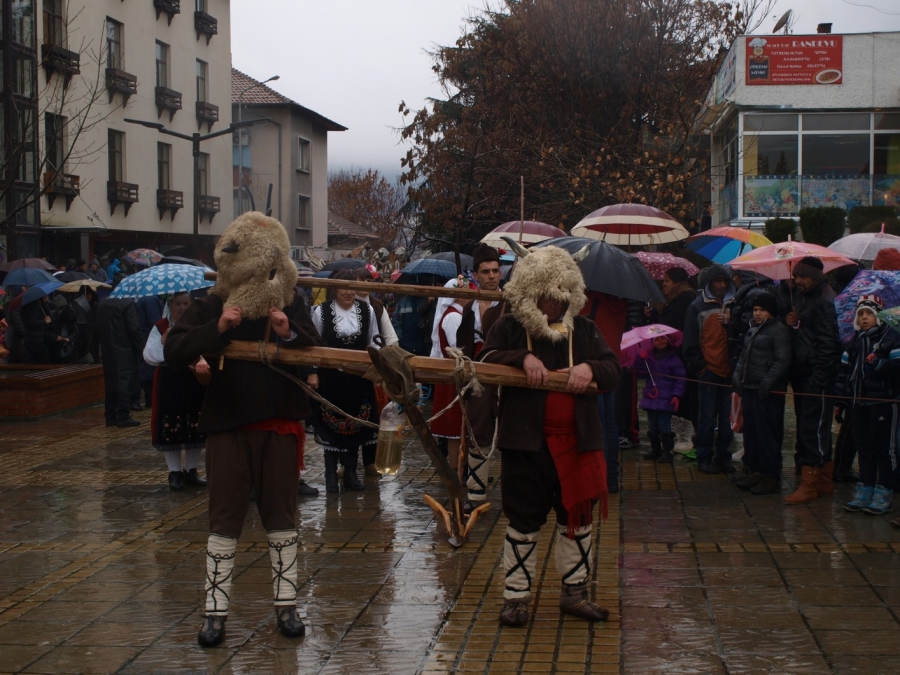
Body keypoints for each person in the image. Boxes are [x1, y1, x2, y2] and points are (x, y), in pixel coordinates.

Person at [165, 212, 326, 647]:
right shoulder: (213, 302)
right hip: (228, 425)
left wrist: (288, 330)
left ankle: (287, 607)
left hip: (278, 426)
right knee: (224, 519)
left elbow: (315, 345)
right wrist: (217, 329)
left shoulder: (289, 300)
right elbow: (173, 347)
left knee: (282, 517)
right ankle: (214, 615)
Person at [478, 244, 621, 627]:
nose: (554, 306)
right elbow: (486, 358)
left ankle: (575, 594)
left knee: (578, 521)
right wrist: (520, 358)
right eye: (546, 298)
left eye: (561, 298)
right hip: (525, 446)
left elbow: (613, 369)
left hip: (578, 445)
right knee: (522, 521)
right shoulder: (509, 327)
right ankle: (515, 599)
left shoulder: (586, 329)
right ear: (530, 292)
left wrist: (590, 368)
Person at [307, 269, 381, 494]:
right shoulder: (321, 312)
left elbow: (375, 342)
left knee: (356, 423)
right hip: (331, 378)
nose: (348, 292)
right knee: (331, 423)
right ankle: (330, 474)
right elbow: (314, 345)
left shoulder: (367, 311)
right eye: (343, 287)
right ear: (334, 289)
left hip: (358, 377)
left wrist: (376, 369)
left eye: (351, 286)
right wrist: (313, 372)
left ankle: (350, 473)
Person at [783, 256, 841, 505]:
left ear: (815, 276)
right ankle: (824, 481)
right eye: (795, 276)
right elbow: (807, 334)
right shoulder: (806, 297)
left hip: (816, 377)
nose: (797, 281)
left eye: (801, 276)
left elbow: (828, 345)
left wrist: (818, 380)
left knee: (813, 429)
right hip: (805, 373)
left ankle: (810, 484)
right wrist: (794, 322)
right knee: (815, 427)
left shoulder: (825, 301)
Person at [835, 295, 900, 515]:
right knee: (864, 448)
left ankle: (884, 491)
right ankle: (865, 488)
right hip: (858, 403)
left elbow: (897, 369)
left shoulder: (890, 339)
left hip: (881, 403)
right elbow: (844, 374)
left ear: (878, 316)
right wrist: (841, 401)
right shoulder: (854, 341)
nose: (864, 318)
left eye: (869, 314)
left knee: (884, 450)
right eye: (860, 314)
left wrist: (881, 363)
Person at [142, 292, 209, 491]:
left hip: (193, 377)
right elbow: (149, 356)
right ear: (170, 305)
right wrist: (164, 343)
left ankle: (191, 470)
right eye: (178, 304)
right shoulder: (161, 327)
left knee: (194, 422)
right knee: (170, 423)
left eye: (186, 303)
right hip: (169, 380)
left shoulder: (198, 325)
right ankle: (174, 473)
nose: (182, 308)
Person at [457, 244, 506, 510]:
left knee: (510, 431)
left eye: (495, 271)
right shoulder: (469, 307)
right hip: (476, 375)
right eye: (485, 271)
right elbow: (462, 342)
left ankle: (516, 491)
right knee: (478, 430)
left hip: (506, 374)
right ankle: (476, 493)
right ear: (475, 275)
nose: (491, 276)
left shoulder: (512, 303)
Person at [731, 293, 791, 495]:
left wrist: (767, 383)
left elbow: (782, 361)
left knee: (767, 435)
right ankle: (754, 469)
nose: (757, 313)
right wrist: (738, 376)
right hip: (749, 389)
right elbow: (743, 357)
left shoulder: (779, 331)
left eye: (761, 310)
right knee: (752, 433)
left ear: (771, 312)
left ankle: (770, 475)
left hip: (767, 392)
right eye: (755, 309)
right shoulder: (752, 330)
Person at [682, 264, 736, 474]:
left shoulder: (734, 305)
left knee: (726, 418)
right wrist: (700, 368)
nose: (722, 286)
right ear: (709, 283)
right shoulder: (697, 307)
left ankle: (723, 456)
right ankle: (704, 456)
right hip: (708, 371)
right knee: (706, 417)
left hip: (729, 371)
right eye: (717, 281)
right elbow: (690, 341)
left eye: (725, 281)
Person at [353, 265, 399, 479]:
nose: (364, 284)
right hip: (350, 367)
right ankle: (347, 463)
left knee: (373, 414)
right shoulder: (340, 305)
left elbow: (391, 339)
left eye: (368, 280)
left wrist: (387, 362)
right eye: (360, 279)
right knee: (350, 413)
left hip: (374, 366)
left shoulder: (377, 307)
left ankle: (371, 461)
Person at [429, 276, 470, 475]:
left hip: (458, 375)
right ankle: (456, 468)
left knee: (461, 426)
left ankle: (462, 467)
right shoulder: (453, 316)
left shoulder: (459, 313)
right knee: (454, 428)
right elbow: (458, 348)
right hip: (455, 376)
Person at [658, 267, 698, 452]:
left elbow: (671, 327)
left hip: (681, 358)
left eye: (667, 281)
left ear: (677, 283)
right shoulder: (675, 301)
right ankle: (676, 434)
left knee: (682, 396)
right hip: (676, 358)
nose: (664, 284)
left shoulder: (683, 302)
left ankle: (685, 436)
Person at [636, 335, 686, 464]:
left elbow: (680, 380)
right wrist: (640, 359)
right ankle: (655, 449)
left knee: (664, 426)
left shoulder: (674, 360)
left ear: (669, 341)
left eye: (663, 338)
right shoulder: (648, 358)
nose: (660, 341)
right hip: (651, 399)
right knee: (652, 426)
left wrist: (676, 395)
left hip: (666, 399)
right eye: (657, 339)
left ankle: (667, 451)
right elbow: (640, 374)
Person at [96, 297, 143, 427]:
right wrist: (140, 348)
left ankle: (110, 415)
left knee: (111, 381)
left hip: (108, 349)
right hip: (125, 349)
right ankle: (123, 415)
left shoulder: (103, 303)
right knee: (125, 382)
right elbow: (133, 328)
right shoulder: (127, 303)